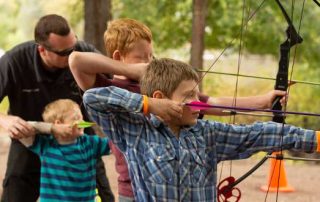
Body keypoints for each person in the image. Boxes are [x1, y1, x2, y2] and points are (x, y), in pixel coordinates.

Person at [69, 18, 286, 201]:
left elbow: (212, 104)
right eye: (142, 57)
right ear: (118, 57)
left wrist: (263, 102)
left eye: (151, 56)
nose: (149, 62)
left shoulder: (159, 86)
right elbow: (76, 60)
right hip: (131, 189)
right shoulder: (106, 88)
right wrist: (132, 71)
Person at [83, 58, 320, 202]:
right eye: (189, 96)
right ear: (160, 98)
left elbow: (260, 133)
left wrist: (315, 139)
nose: (198, 102)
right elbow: (93, 98)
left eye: (197, 93)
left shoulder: (208, 134)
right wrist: (148, 105)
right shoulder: (135, 131)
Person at [0, 14, 114, 202]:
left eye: (74, 46)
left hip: (80, 139)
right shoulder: (14, 61)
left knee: (105, 195)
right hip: (31, 138)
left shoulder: (82, 53)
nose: (72, 55)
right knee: (15, 191)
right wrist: (4, 119)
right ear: (42, 50)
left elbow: (117, 82)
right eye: (65, 53)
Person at [12, 99, 110, 201]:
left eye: (81, 117)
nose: (82, 121)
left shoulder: (90, 143)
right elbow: (22, 128)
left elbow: (115, 145)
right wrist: (51, 128)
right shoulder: (45, 146)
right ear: (58, 123)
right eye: (76, 118)